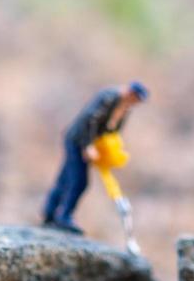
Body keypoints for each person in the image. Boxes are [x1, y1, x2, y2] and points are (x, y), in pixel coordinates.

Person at [42, 81, 148, 234]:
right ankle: (64, 215)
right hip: (77, 141)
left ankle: (50, 212)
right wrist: (88, 145)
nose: (135, 103)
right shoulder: (109, 98)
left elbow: (112, 131)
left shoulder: (124, 109)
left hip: (92, 145)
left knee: (65, 179)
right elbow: (90, 119)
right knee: (78, 181)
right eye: (135, 98)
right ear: (130, 92)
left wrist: (110, 150)